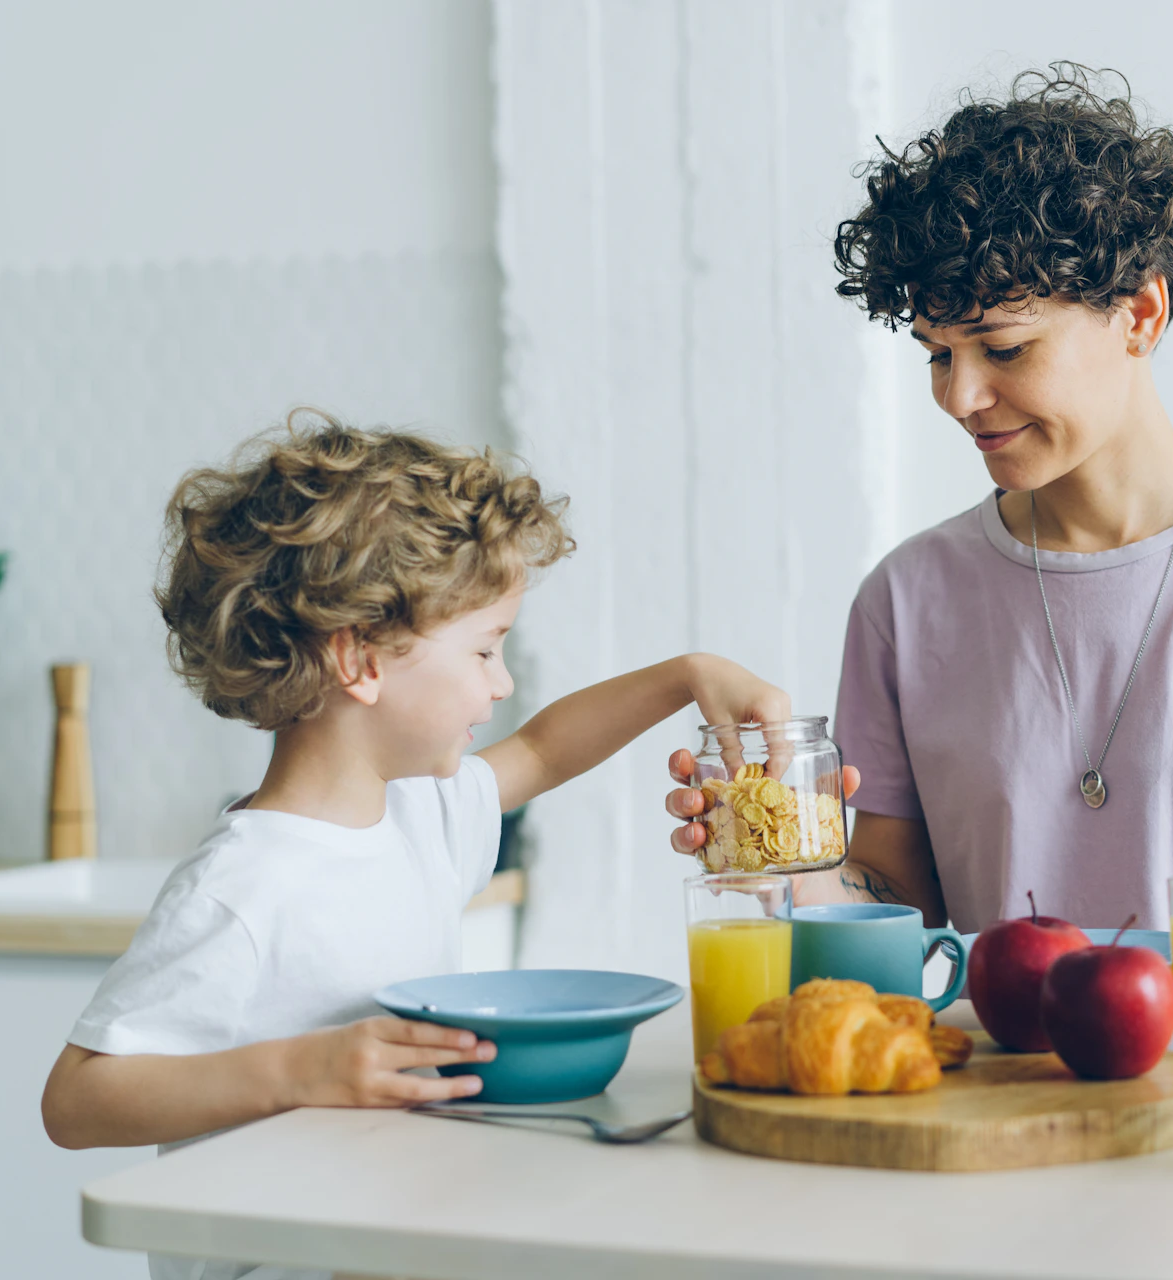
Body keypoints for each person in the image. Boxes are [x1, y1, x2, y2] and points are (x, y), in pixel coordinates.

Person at [668, 67, 1173, 939]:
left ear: (1141, 316)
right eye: (937, 354)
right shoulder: (904, 602)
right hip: (997, 1073)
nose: (959, 396)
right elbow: (900, 895)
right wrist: (785, 860)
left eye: (1001, 349)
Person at [42, 413, 786, 1279]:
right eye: (484, 649)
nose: (500, 683)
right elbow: (78, 1100)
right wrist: (300, 1068)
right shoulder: (243, 887)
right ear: (359, 658)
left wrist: (685, 675)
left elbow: (543, 750)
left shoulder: (418, 815)